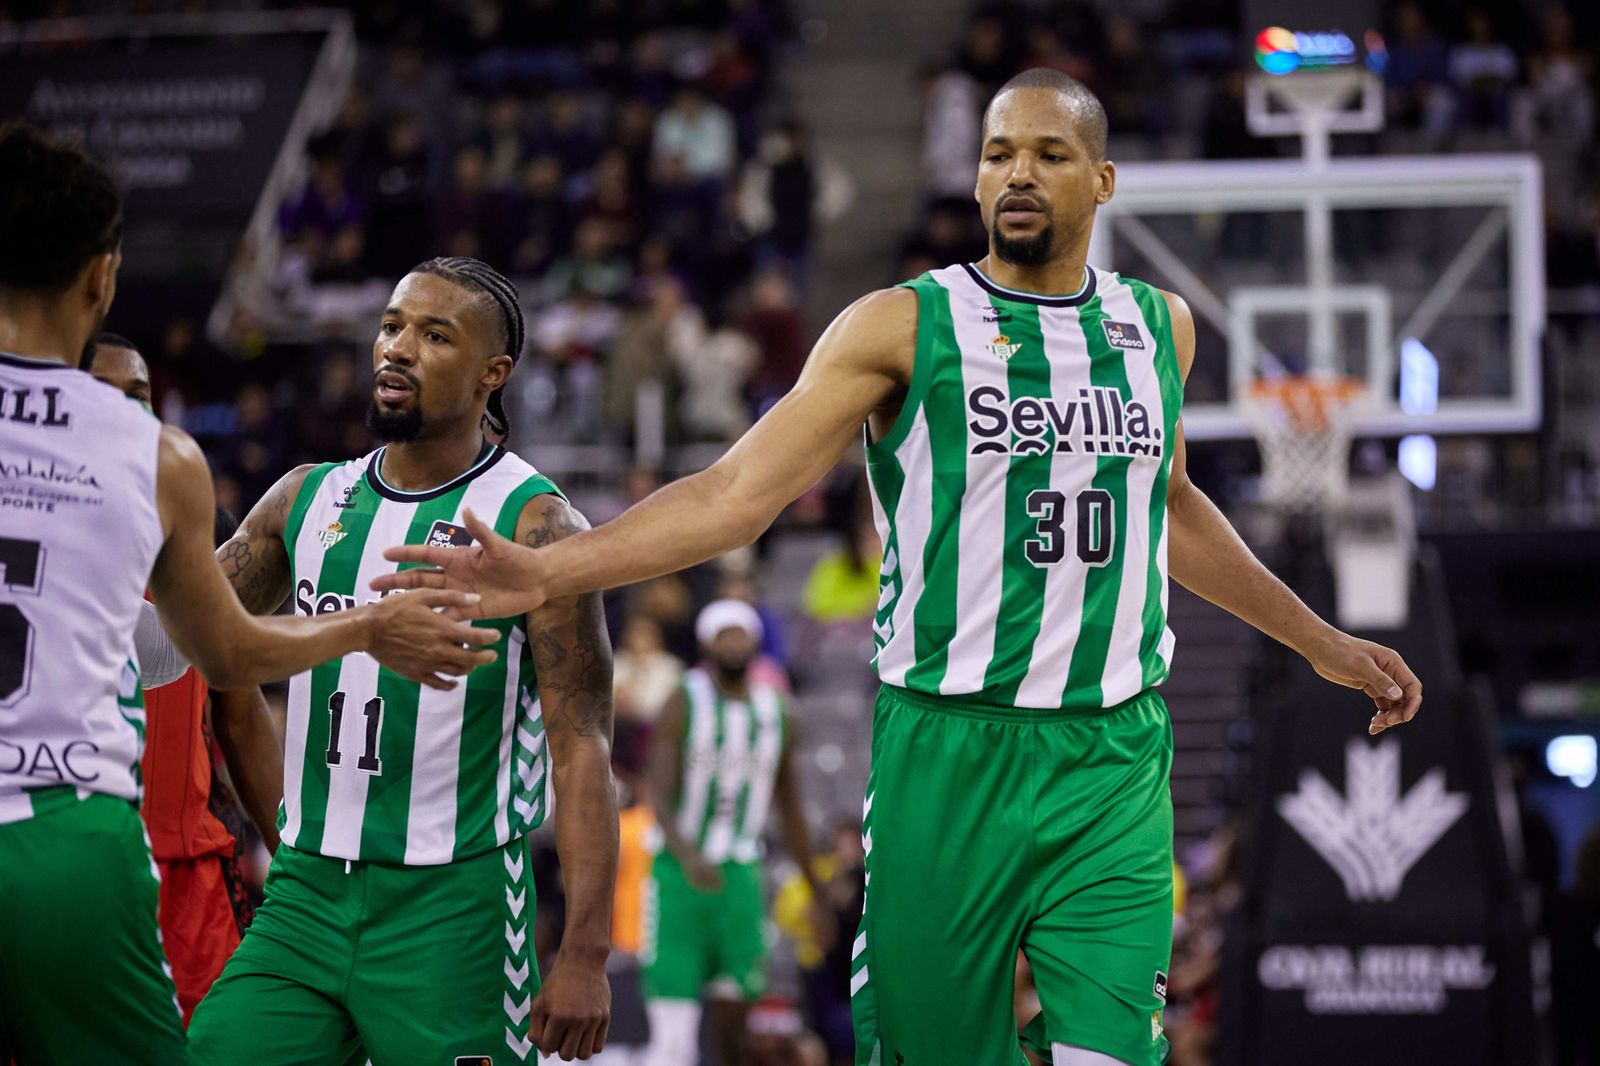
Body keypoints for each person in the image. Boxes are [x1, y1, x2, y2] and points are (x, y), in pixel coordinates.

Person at [376, 70, 1426, 1066]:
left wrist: (1321, 642)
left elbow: (1172, 505)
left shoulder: (1160, 329)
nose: (1015, 174)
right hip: (947, 746)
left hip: (1114, 752)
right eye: (996, 153)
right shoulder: (903, 323)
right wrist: (557, 571)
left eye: (1048, 154)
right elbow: (739, 491)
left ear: (1099, 181)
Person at [0, 121, 493, 1066]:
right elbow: (216, 653)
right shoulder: (153, 454)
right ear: (101, 278)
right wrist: (371, 625)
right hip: (65, 827)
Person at [187, 255, 618, 1064]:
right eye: (390, 326)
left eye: (433, 334)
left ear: (494, 372)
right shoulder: (302, 498)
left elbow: (582, 741)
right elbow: (188, 647)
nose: (397, 348)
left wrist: (588, 952)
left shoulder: (539, 526)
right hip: (306, 897)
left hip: (453, 906)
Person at [91, 332, 288, 1023]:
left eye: (141, 396)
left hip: (190, 877)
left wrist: (295, 870)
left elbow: (239, 715)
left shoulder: (200, 530)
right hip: (76, 862)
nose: (129, 413)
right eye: (105, 393)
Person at [641, 600, 824, 1066]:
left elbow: (791, 807)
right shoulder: (685, 697)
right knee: (674, 1039)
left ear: (756, 641)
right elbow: (656, 792)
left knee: (736, 1026)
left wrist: (815, 889)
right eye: (723, 635)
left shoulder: (779, 710)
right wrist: (688, 856)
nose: (733, 643)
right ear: (706, 645)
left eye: (740, 634)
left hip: (741, 875)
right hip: (679, 874)